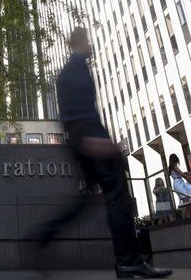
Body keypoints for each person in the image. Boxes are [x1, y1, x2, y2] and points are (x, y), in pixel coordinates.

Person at [35, 27, 173, 278]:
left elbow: (69, 114)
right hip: (88, 138)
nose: (91, 44)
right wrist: (96, 141)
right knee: (117, 192)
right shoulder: (76, 69)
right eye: (87, 40)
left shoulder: (69, 71)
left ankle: (44, 235)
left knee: (86, 199)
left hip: (81, 140)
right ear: (79, 43)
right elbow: (79, 112)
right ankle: (128, 260)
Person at [169, 154, 191, 218]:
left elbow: (180, 173)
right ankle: (184, 217)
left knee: (186, 200)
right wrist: (188, 180)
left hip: (177, 182)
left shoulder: (171, 167)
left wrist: (185, 173)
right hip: (178, 183)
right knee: (186, 200)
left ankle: (187, 216)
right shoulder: (174, 166)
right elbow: (181, 174)